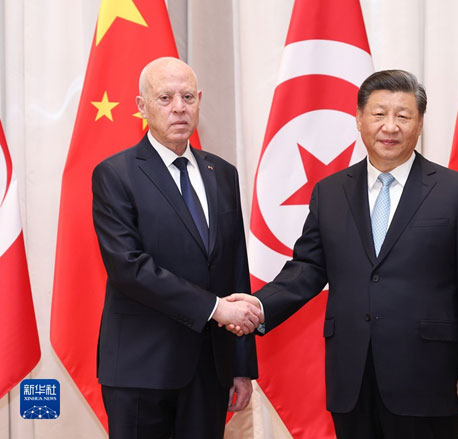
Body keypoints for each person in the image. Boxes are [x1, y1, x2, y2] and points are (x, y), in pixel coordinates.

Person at [227, 70, 458, 438]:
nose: (390, 126)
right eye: (379, 114)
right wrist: (259, 306)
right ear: (358, 118)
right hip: (352, 379)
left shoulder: (457, 192)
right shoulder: (330, 193)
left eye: (403, 116)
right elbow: (307, 268)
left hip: (428, 378)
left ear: (419, 123)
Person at [91, 57, 263, 439]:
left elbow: (235, 269)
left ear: (199, 100)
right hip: (141, 368)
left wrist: (240, 366)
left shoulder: (223, 174)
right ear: (141, 106)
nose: (179, 108)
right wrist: (216, 308)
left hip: (210, 370)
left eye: (187, 97)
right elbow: (129, 268)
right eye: (165, 98)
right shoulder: (115, 174)